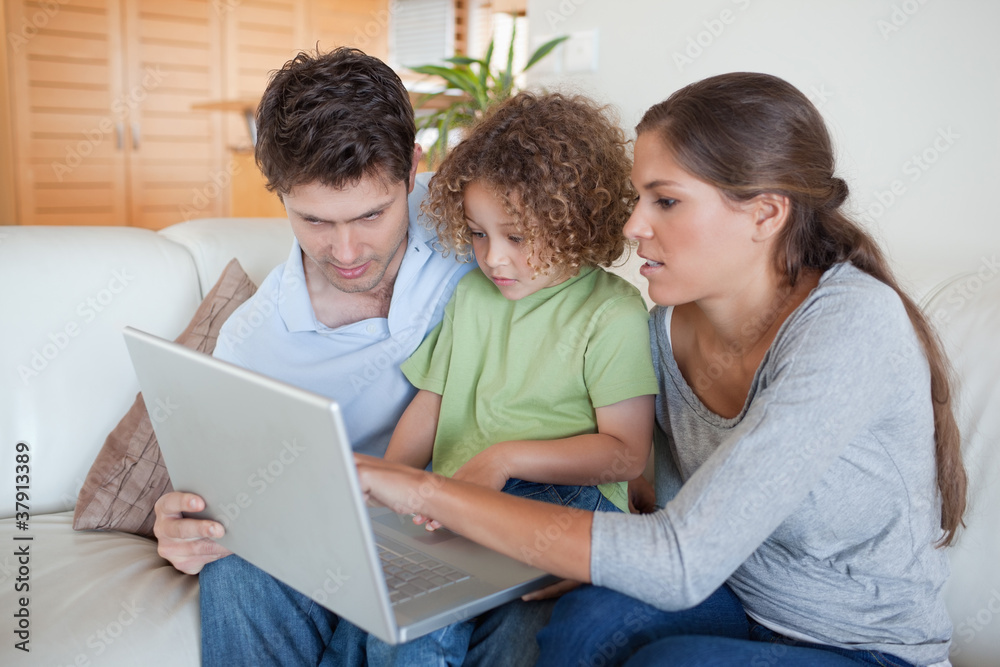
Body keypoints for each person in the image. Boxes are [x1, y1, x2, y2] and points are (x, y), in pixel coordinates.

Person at [355, 72, 967, 666]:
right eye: (639, 197)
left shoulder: (852, 324)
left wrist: (428, 491)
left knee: (676, 660)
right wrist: (596, 553)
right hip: (732, 598)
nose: (632, 226)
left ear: (765, 213)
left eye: (666, 201)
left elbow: (679, 559)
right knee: (588, 623)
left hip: (858, 643)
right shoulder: (663, 330)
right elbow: (652, 496)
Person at [150, 47, 574, 666]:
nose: (347, 252)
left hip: (479, 515)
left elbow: (586, 289)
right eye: (315, 221)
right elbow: (228, 492)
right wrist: (184, 527)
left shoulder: (480, 223)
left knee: (528, 616)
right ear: (279, 194)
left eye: (372, 214)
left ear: (413, 169)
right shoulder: (253, 340)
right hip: (341, 539)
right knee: (235, 573)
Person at [341, 92, 659, 664]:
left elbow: (625, 454)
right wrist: (386, 487)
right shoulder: (471, 295)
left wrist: (505, 459)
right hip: (462, 493)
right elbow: (430, 404)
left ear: (575, 220)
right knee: (387, 618)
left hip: (565, 500)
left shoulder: (613, 312)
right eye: (478, 234)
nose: (493, 259)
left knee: (448, 623)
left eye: (516, 236)